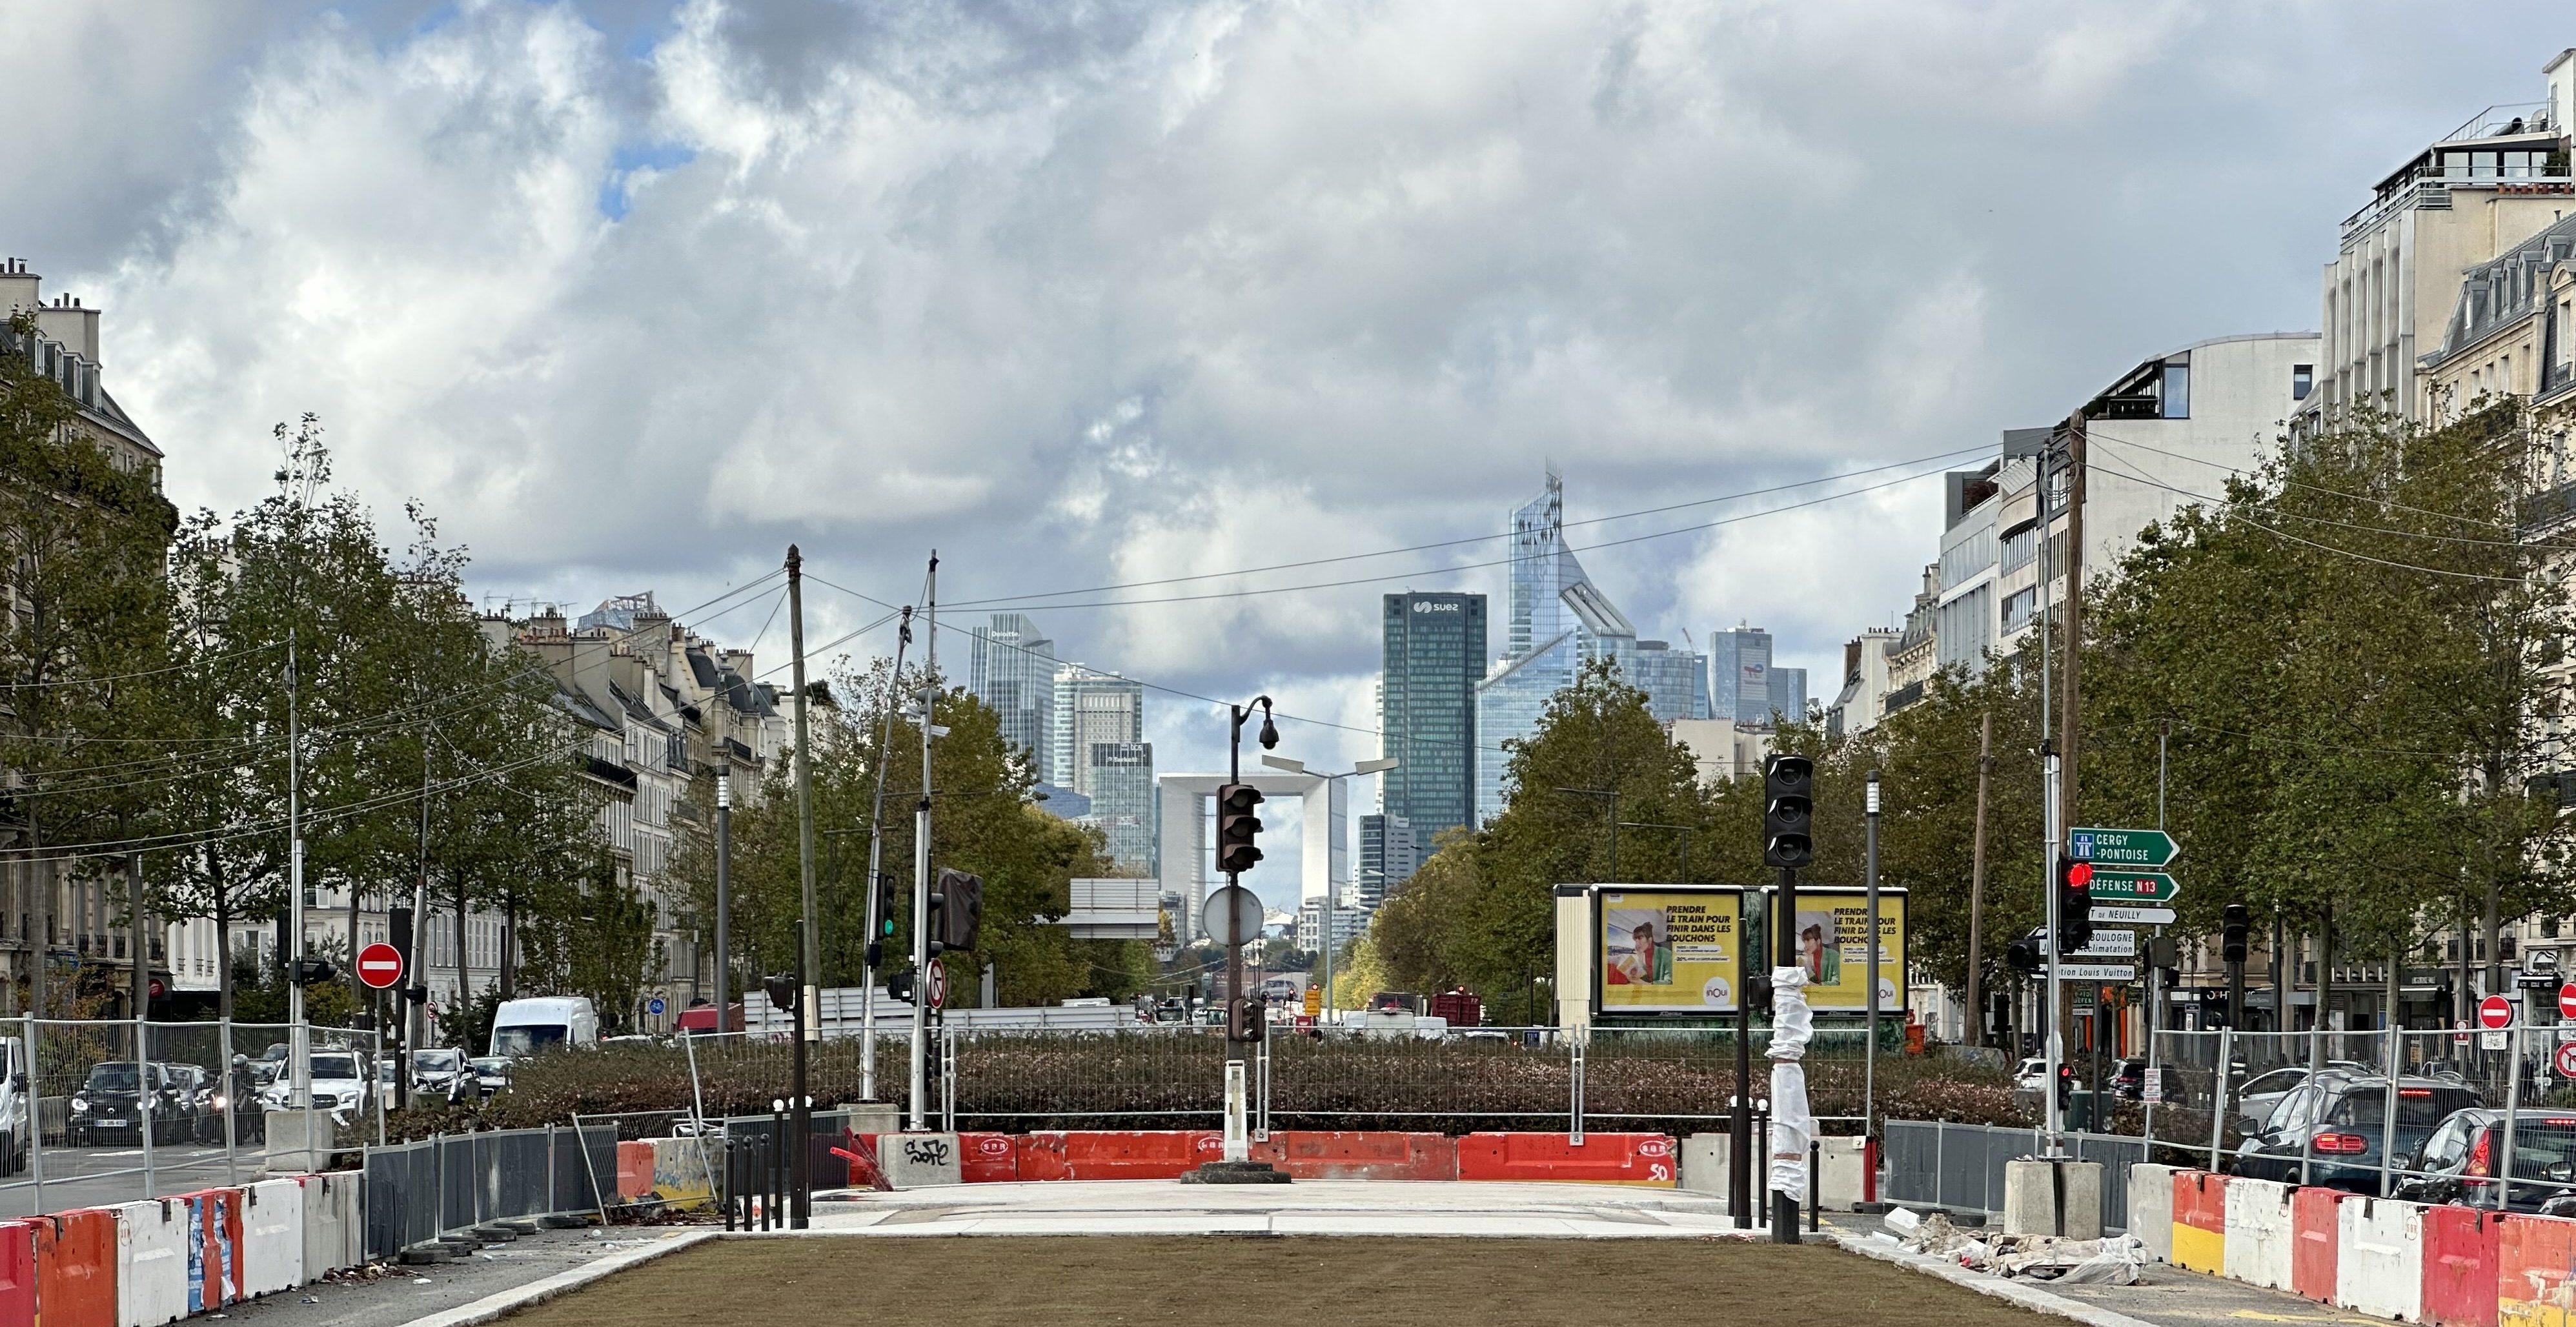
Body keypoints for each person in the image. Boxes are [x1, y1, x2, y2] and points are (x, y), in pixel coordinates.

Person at [1613, 920, 1673, 986]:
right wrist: (1636, 977)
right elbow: (1649, 977)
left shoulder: (1666, 953)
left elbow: (1670, 981)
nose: (1637, 942)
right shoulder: (1643, 955)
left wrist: (1647, 984)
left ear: (1650, 940)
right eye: (1635, 939)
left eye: (1640, 938)